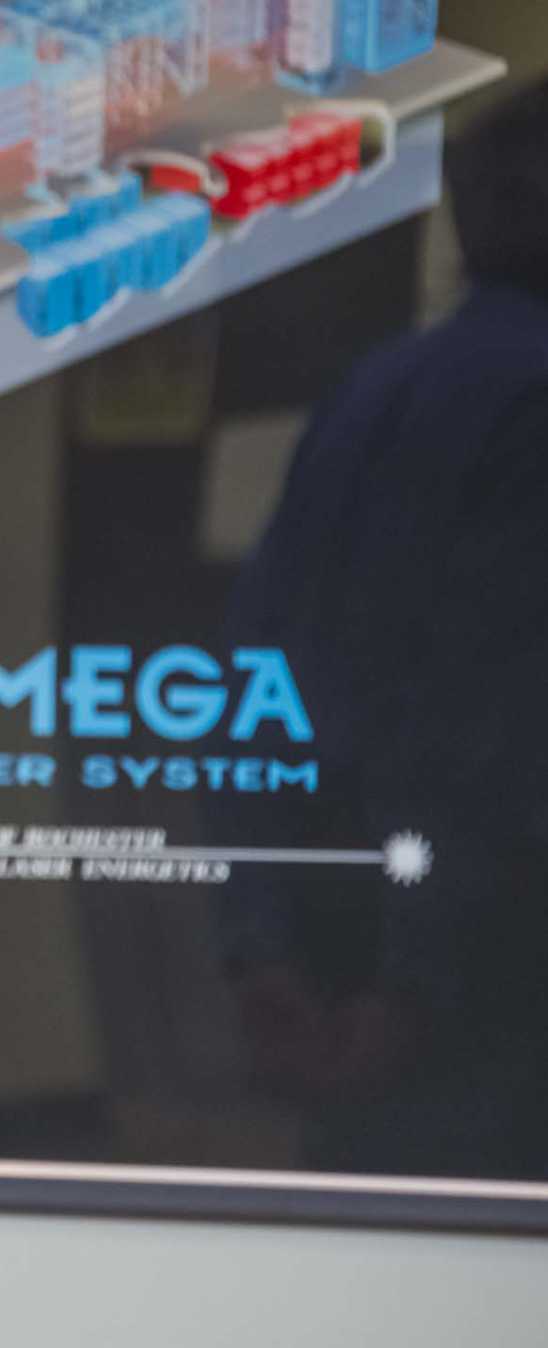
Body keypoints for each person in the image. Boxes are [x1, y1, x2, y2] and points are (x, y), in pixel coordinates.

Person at [223, 75, 548, 1179]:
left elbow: (256, 672)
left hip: (341, 948)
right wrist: (414, 979)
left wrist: (261, 944)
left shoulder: (370, 392)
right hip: (478, 970)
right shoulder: (531, 401)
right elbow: (475, 716)